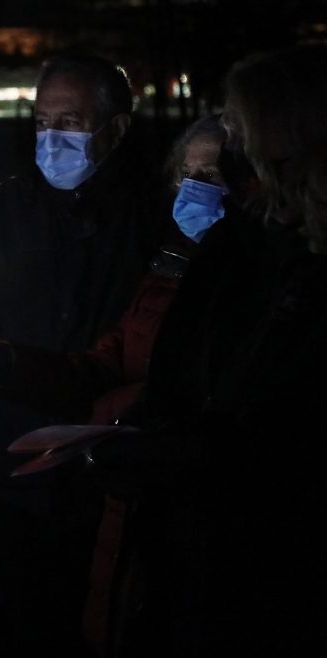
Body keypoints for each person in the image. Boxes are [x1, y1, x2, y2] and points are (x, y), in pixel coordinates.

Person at [83, 43, 327, 656]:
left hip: (273, 562)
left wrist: (178, 451)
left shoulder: (287, 265)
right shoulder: (229, 257)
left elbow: (279, 423)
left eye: (242, 127)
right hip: (206, 546)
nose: (232, 144)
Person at [0, 52, 168, 657]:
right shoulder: (0, 214)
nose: (52, 139)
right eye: (43, 123)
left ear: (116, 128)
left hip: (112, 465)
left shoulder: (154, 218)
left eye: (70, 123)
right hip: (17, 458)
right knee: (30, 622)